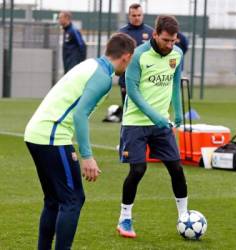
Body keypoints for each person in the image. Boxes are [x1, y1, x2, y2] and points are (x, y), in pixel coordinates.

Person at [24, 33, 135, 250]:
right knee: (73, 199)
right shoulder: (103, 76)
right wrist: (87, 156)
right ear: (126, 57)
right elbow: (80, 114)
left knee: (54, 200)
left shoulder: (90, 64)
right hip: (52, 137)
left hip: (35, 133)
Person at [117, 15, 188, 238]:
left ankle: (184, 217)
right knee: (138, 169)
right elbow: (132, 91)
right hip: (135, 123)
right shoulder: (138, 56)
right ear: (155, 34)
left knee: (176, 168)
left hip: (161, 124)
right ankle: (124, 219)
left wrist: (177, 112)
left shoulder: (177, 54)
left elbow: (176, 83)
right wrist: (155, 116)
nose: (170, 45)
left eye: (173, 40)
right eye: (166, 40)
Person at [118, 3, 153, 105]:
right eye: (134, 15)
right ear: (129, 16)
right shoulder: (122, 33)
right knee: (127, 107)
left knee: (145, 107)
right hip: (126, 77)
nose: (137, 18)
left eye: (139, 15)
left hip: (145, 77)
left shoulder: (151, 32)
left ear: (142, 15)